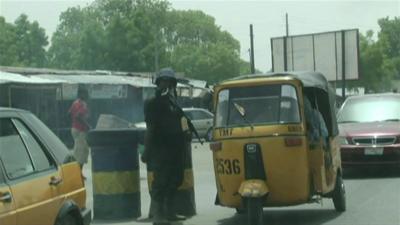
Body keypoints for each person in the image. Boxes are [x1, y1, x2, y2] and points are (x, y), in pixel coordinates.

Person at [141, 68, 191, 222]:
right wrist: (146, 151)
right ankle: (158, 215)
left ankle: (169, 213)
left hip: (176, 149)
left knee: (175, 180)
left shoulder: (173, 103)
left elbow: (180, 124)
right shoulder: (152, 103)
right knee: (160, 183)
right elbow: (151, 128)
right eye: (164, 82)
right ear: (158, 83)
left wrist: (186, 134)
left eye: (170, 83)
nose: (167, 86)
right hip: (160, 149)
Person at [68, 87, 91, 176]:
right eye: (86, 93)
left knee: (77, 151)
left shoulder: (75, 103)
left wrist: (74, 123)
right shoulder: (82, 104)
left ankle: (78, 173)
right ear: (82, 94)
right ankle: (78, 173)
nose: (87, 95)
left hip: (74, 129)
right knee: (81, 153)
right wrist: (87, 125)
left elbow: (69, 114)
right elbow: (78, 116)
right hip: (81, 130)